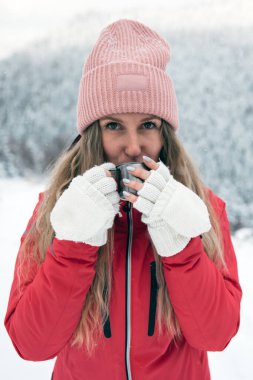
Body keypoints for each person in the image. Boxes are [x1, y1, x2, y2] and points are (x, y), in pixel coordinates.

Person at [4, 19, 242, 380]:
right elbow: (32, 344)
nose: (133, 147)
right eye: (114, 125)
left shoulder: (201, 209)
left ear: (165, 132)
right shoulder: (56, 210)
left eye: (147, 125)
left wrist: (181, 246)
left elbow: (216, 334)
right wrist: (73, 245)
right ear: (91, 134)